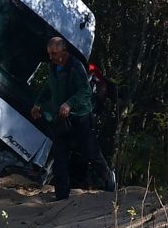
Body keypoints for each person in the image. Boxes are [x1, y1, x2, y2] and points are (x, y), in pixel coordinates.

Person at [29, 36, 115, 200]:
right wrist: (38, 103)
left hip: (81, 116)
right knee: (59, 155)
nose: (51, 57)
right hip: (61, 117)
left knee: (90, 152)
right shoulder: (53, 67)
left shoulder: (76, 68)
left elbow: (85, 91)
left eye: (54, 53)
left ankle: (108, 177)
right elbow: (49, 86)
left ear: (64, 51)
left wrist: (69, 104)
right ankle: (61, 196)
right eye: (50, 54)